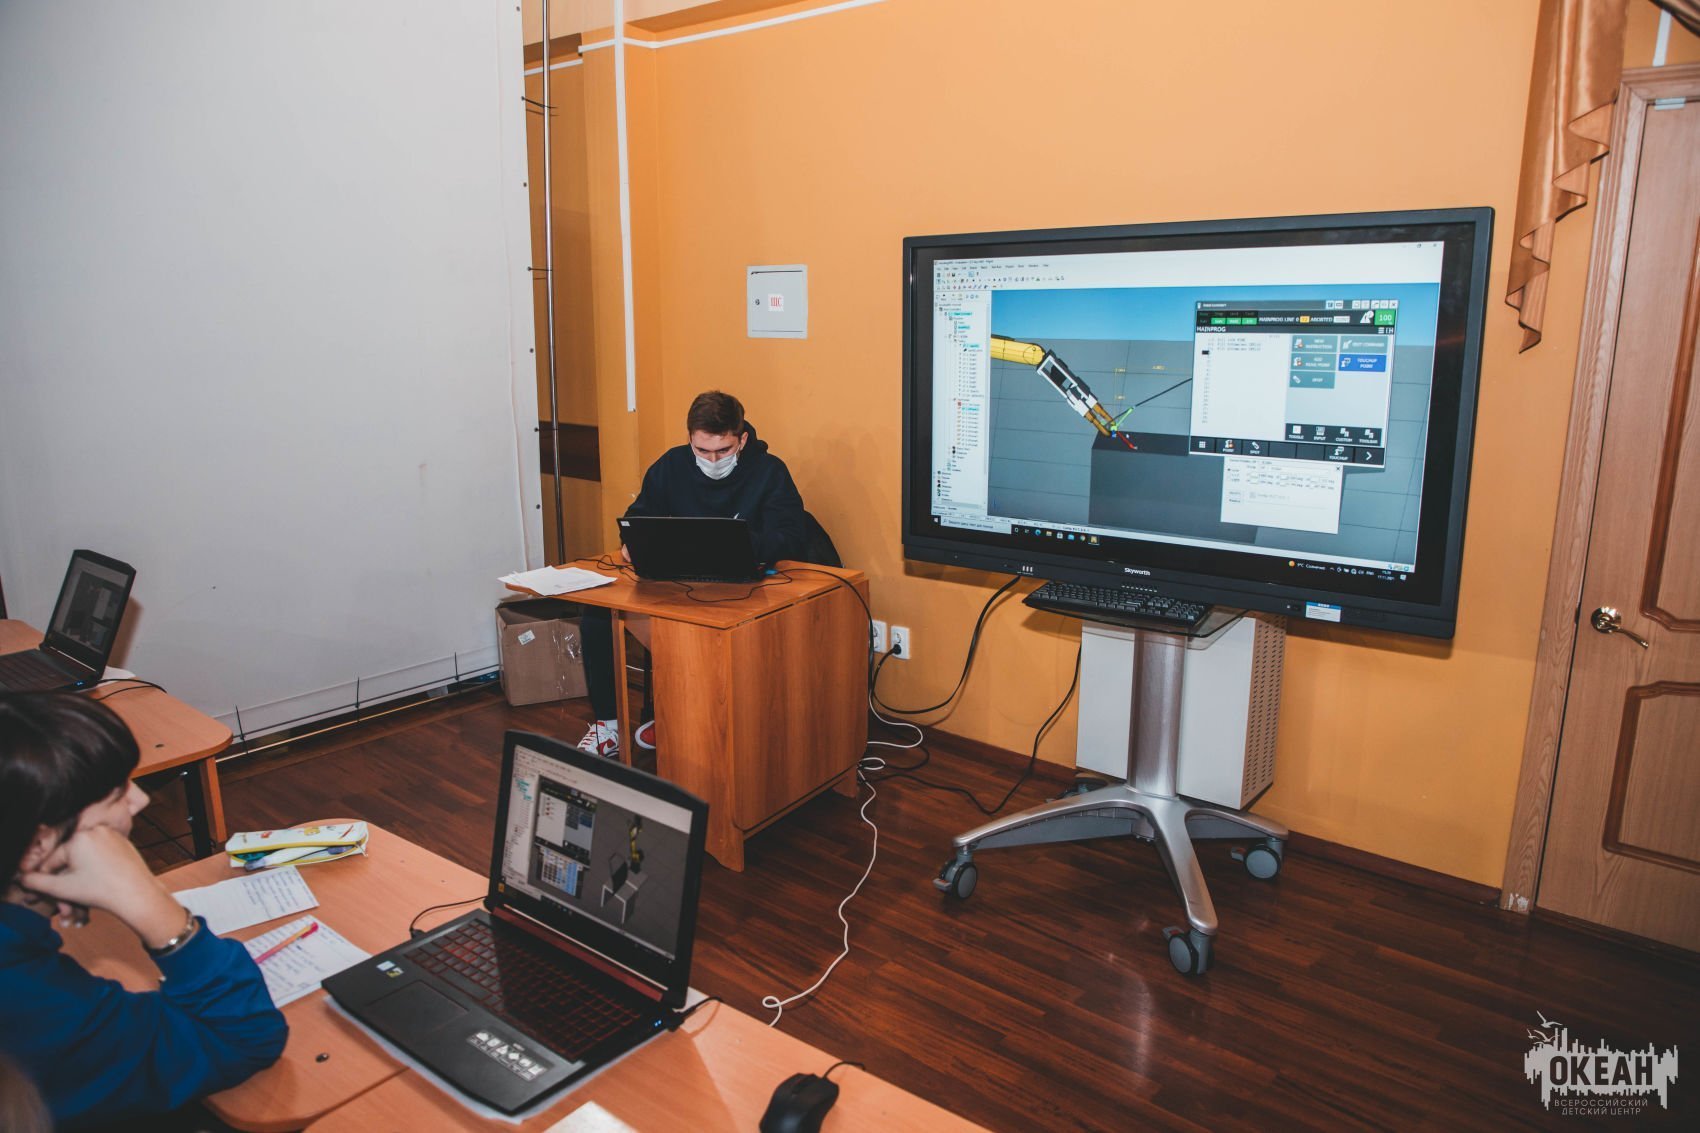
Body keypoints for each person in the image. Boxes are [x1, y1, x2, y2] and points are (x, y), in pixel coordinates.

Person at [0, 692, 288, 1127]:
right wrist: (151, 903)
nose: (140, 800)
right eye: (117, 792)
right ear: (39, 844)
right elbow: (246, 1038)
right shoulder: (38, 1003)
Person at [576, 390, 835, 758]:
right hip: (677, 580)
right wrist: (633, 542)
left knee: (716, 630)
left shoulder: (769, 471)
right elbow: (639, 515)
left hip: (747, 586)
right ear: (690, 439)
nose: (713, 460)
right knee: (597, 615)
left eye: (724, 450)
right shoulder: (671, 465)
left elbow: (791, 535)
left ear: (742, 439)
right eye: (702, 450)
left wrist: (745, 544)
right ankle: (608, 726)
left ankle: (691, 714)